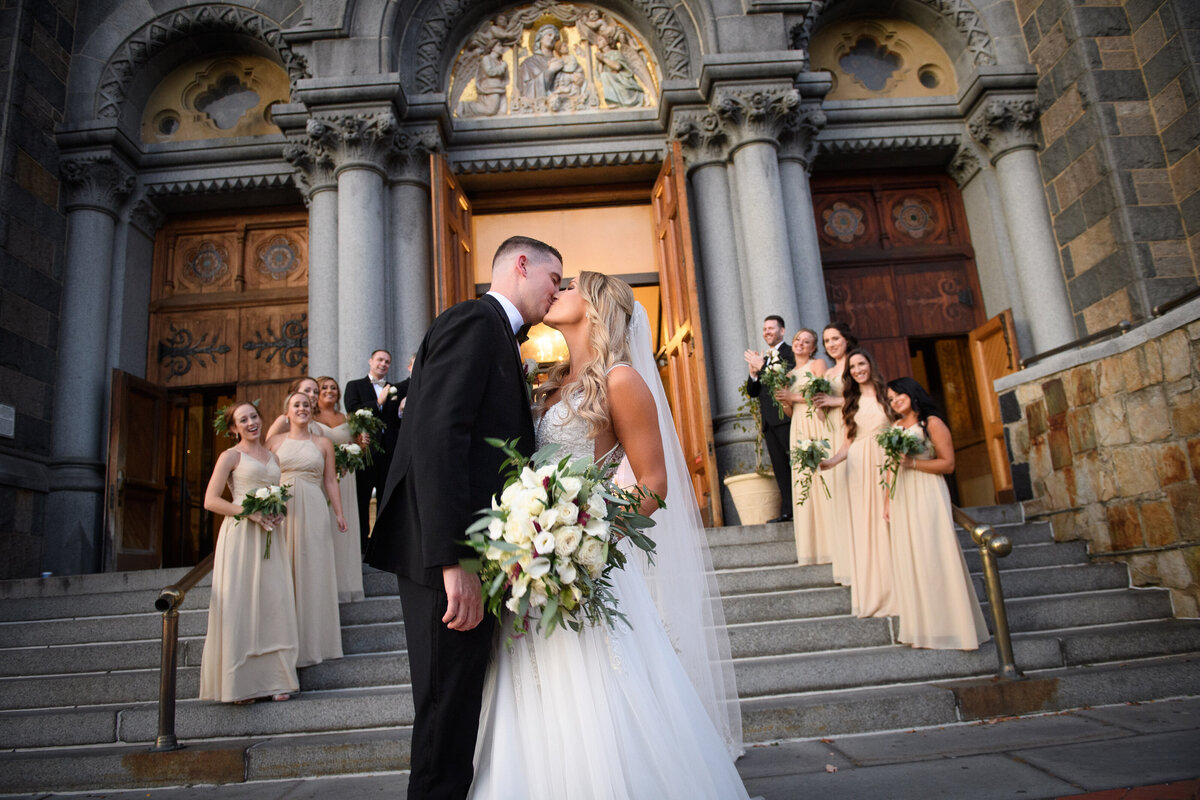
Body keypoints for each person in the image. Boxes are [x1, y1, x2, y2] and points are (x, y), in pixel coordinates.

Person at [469, 272, 749, 799]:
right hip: (533, 558)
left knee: (597, 689)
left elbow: (654, 482)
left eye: (570, 286)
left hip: (577, 563)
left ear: (596, 305)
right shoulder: (551, 381)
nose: (557, 291)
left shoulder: (621, 380)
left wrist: (591, 545)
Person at [366, 235, 563, 800]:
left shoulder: (500, 334)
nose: (556, 291)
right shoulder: (475, 321)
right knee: (444, 712)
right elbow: (437, 437)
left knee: (457, 705)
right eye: (554, 278)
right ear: (521, 265)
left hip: (473, 550)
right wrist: (455, 559)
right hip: (446, 553)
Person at [199, 401, 299, 704]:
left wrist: (277, 512)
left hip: (270, 535)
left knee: (273, 601)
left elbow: (277, 494)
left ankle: (276, 678)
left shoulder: (273, 457)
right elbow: (211, 500)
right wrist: (249, 512)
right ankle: (239, 684)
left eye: (254, 416)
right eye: (243, 420)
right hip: (241, 535)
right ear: (233, 428)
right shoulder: (230, 456)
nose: (251, 422)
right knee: (241, 603)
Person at [885, 378, 990, 650]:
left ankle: (954, 629)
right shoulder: (895, 427)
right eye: (891, 397)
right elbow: (890, 468)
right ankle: (923, 629)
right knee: (912, 558)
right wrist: (887, 501)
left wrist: (914, 463)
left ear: (912, 393)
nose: (895, 400)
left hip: (927, 492)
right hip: (902, 495)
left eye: (899, 395)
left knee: (934, 555)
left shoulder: (931, 423)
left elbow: (949, 464)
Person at [268, 392, 347, 668]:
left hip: (314, 507)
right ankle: (283, 640)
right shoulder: (275, 442)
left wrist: (338, 512)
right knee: (284, 569)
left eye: (305, 405)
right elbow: (261, 473)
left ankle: (315, 642)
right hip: (284, 510)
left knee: (313, 570)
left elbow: (331, 481)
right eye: (296, 405)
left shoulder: (323, 442)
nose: (302, 408)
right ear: (287, 412)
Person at [821, 349, 895, 618]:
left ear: (870, 364)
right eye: (852, 367)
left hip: (886, 462)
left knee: (889, 522)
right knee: (868, 526)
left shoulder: (889, 394)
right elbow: (847, 443)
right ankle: (877, 591)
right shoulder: (850, 402)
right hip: (858, 466)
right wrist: (829, 462)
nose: (857, 370)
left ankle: (899, 587)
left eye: (861, 363)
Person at [774, 328, 831, 565]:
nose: (801, 344)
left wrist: (792, 397)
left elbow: (820, 394)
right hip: (798, 424)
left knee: (822, 476)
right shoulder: (788, 375)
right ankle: (813, 545)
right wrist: (784, 401)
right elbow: (788, 411)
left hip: (815, 421)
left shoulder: (817, 365)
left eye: (807, 342)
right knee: (803, 477)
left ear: (813, 348)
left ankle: (830, 538)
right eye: (798, 339)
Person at [344, 350, 406, 549]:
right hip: (365, 450)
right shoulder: (354, 386)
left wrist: (400, 410)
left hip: (389, 451)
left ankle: (383, 542)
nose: (383, 364)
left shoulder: (394, 388)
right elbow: (352, 410)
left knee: (386, 496)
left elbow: (395, 421)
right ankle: (361, 542)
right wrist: (378, 402)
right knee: (362, 496)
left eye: (387, 362)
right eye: (380, 360)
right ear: (370, 361)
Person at [312, 376, 364, 603]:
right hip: (323, 477)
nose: (330, 391)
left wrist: (362, 445)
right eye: (324, 387)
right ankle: (323, 584)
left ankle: (347, 583)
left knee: (345, 528)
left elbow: (358, 451)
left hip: (346, 478)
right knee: (325, 528)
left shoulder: (346, 418)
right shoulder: (310, 418)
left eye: (333, 388)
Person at [813, 322, 856, 586]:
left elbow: (866, 395)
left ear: (847, 339)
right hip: (830, 431)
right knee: (838, 495)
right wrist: (819, 404)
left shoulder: (855, 363)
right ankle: (846, 561)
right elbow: (822, 409)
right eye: (827, 340)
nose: (831, 344)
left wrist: (835, 401)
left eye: (835, 338)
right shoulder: (828, 373)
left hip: (850, 427)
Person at [744, 315, 797, 522]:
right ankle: (787, 511)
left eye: (771, 328)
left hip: (786, 418)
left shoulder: (790, 353)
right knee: (780, 468)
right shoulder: (763, 357)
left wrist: (763, 366)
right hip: (769, 421)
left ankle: (800, 509)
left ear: (782, 331)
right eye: (764, 329)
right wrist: (753, 374)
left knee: (794, 464)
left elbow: (785, 379)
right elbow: (753, 392)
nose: (767, 332)